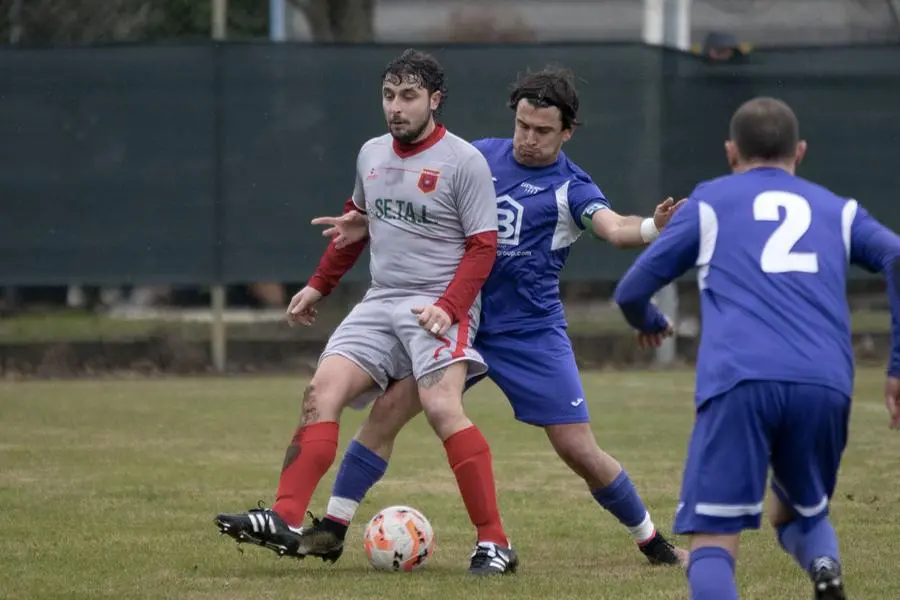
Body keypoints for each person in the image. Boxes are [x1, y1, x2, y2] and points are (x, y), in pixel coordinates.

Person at [295, 66, 688, 568]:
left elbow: (614, 229)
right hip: (457, 316)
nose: (528, 139)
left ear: (567, 132)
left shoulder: (571, 187)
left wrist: (654, 226)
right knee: (387, 412)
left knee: (577, 449)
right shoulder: (477, 155)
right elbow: (419, 206)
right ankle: (333, 527)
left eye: (543, 131)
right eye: (522, 125)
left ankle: (653, 543)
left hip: (529, 331)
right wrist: (367, 221)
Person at [214, 48, 519, 576]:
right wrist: (318, 285)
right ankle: (286, 518)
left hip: (439, 305)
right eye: (388, 95)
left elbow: (483, 249)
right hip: (381, 301)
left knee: (444, 411)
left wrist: (448, 308)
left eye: (408, 96)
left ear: (434, 100)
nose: (395, 107)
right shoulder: (371, 154)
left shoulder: (463, 161)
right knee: (320, 392)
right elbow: (355, 224)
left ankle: (495, 542)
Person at [613, 96, 900, 600]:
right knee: (797, 510)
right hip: (825, 382)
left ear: (730, 152)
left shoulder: (709, 203)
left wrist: (652, 321)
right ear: (801, 151)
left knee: (713, 544)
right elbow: (896, 256)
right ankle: (826, 566)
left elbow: (631, 289)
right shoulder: (839, 210)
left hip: (740, 379)